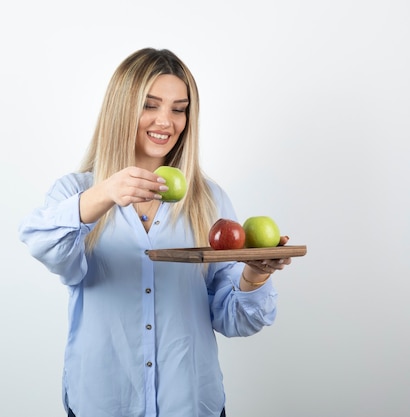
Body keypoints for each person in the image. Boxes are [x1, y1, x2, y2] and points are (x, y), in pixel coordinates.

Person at [18, 48, 292, 417]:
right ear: (121, 109)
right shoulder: (76, 193)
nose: (166, 121)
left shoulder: (209, 200)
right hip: (104, 403)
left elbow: (233, 319)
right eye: (150, 105)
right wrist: (105, 194)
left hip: (192, 404)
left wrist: (255, 275)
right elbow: (42, 242)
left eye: (179, 109)